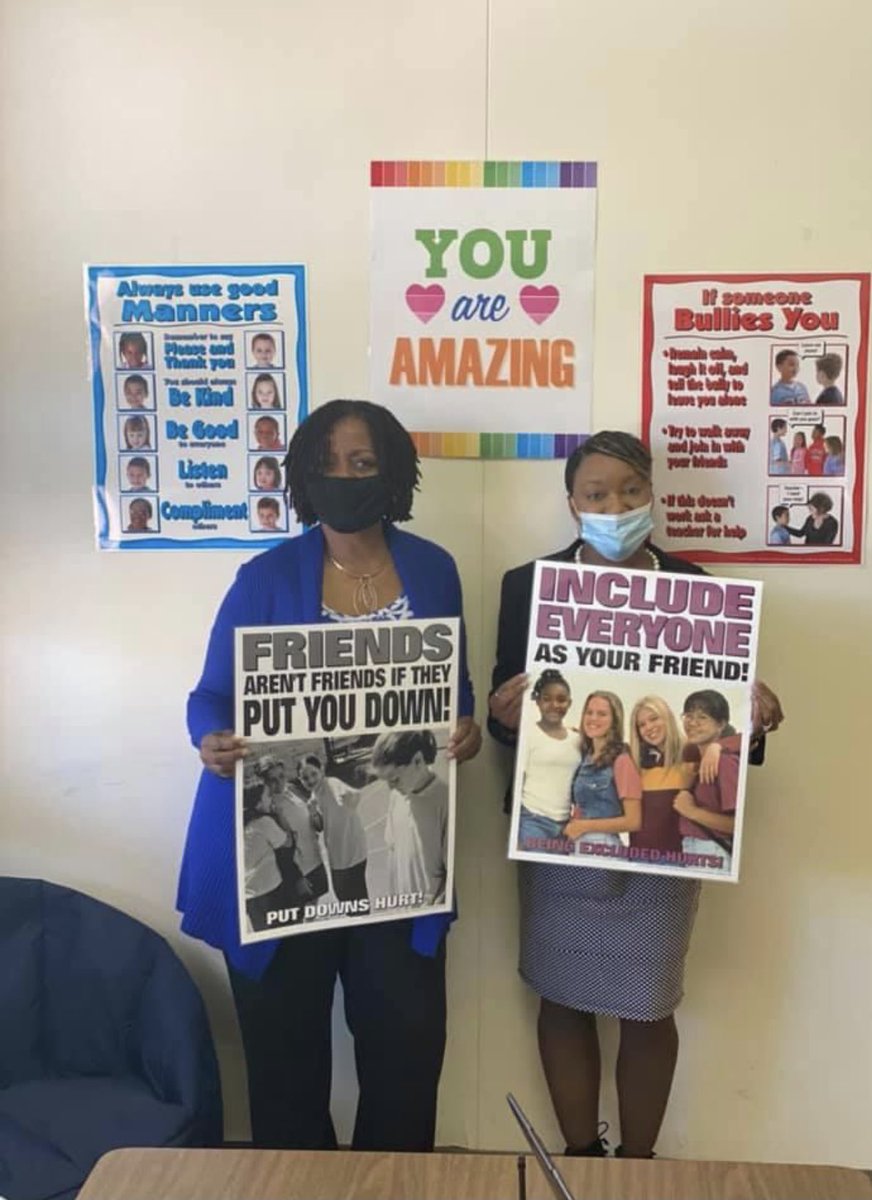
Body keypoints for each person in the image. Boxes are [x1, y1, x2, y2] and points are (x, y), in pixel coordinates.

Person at [178, 398, 480, 1153]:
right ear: (307, 475)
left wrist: (466, 730)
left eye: (364, 462)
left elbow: (455, 691)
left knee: (406, 1053)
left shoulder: (434, 570)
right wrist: (209, 738)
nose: (346, 477)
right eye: (330, 464)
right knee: (285, 1064)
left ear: (393, 474)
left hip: (395, 861)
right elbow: (210, 694)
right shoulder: (264, 577)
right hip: (286, 859)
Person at [488, 430, 783, 1161]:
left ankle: (639, 1171)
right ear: (572, 504)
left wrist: (755, 717)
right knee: (561, 995)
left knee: (649, 1006)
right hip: (563, 829)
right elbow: (514, 731)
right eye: (596, 494)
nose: (614, 506)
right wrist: (503, 717)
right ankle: (583, 1162)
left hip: (661, 836)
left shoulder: (700, 588)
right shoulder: (528, 587)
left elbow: (719, 736)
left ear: (651, 495)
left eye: (629, 491)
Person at [371, 730, 449, 905]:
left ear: (418, 761)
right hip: (402, 907)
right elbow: (393, 850)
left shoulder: (444, 799)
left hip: (428, 908)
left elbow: (452, 874)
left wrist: (436, 907)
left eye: (395, 779)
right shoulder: (396, 796)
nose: (390, 787)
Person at [562, 692, 642, 852]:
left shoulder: (622, 760)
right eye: (589, 712)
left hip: (603, 846)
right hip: (577, 845)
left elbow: (634, 821)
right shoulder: (586, 757)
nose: (593, 718)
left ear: (614, 721)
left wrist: (583, 826)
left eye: (602, 714)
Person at [673, 691, 739, 872]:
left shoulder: (725, 762)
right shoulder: (696, 758)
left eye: (702, 717)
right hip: (695, 850)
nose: (692, 723)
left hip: (711, 851)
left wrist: (692, 811)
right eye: (688, 716)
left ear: (721, 724)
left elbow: (738, 825)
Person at [517, 669, 580, 853]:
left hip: (565, 827)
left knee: (560, 880)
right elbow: (519, 781)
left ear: (569, 703)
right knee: (537, 878)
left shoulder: (577, 739)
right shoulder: (528, 734)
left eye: (561, 699)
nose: (554, 705)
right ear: (538, 701)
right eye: (547, 699)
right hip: (533, 821)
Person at [254, 756, 328, 907]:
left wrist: (315, 815)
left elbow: (315, 825)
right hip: (300, 871)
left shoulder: (292, 789)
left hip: (315, 859)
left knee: (314, 906)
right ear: (265, 782)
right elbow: (280, 850)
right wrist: (297, 877)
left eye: (281, 776)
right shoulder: (270, 808)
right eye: (272, 779)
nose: (279, 782)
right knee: (305, 914)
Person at [296, 753, 368, 904]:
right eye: (305, 777)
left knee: (352, 897)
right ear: (300, 780)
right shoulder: (314, 796)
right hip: (337, 853)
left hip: (351, 849)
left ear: (322, 769)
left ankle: (364, 924)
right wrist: (313, 813)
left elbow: (352, 795)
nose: (310, 780)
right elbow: (319, 827)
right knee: (346, 897)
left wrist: (348, 797)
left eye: (313, 774)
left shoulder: (331, 783)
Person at [243, 782, 295, 932]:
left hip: (250, 897)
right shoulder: (263, 823)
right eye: (266, 795)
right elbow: (288, 842)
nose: (270, 797)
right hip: (272, 893)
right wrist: (280, 814)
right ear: (258, 803)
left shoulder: (243, 827)